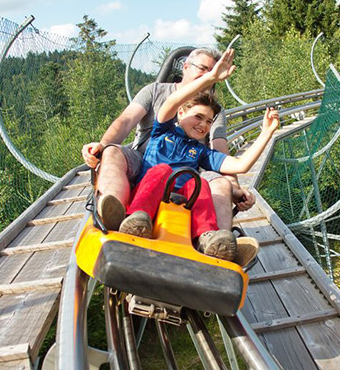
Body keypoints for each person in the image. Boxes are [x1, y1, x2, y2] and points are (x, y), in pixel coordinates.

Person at [116, 55, 279, 261]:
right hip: (152, 193)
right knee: (162, 170)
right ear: (181, 113)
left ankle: (208, 237)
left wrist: (267, 132)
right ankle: (137, 218)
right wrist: (210, 78)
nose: (203, 125)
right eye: (199, 117)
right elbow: (173, 101)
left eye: (209, 122)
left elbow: (241, 165)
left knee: (199, 182)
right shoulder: (162, 131)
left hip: (183, 201)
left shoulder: (201, 152)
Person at [82, 47, 254, 231]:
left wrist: (234, 187)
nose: (210, 75)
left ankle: (219, 240)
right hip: (145, 158)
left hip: (189, 167)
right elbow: (125, 121)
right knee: (112, 152)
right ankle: (112, 214)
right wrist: (102, 145)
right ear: (186, 67)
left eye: (213, 71)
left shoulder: (213, 111)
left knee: (220, 183)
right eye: (203, 69)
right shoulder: (155, 91)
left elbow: (220, 150)